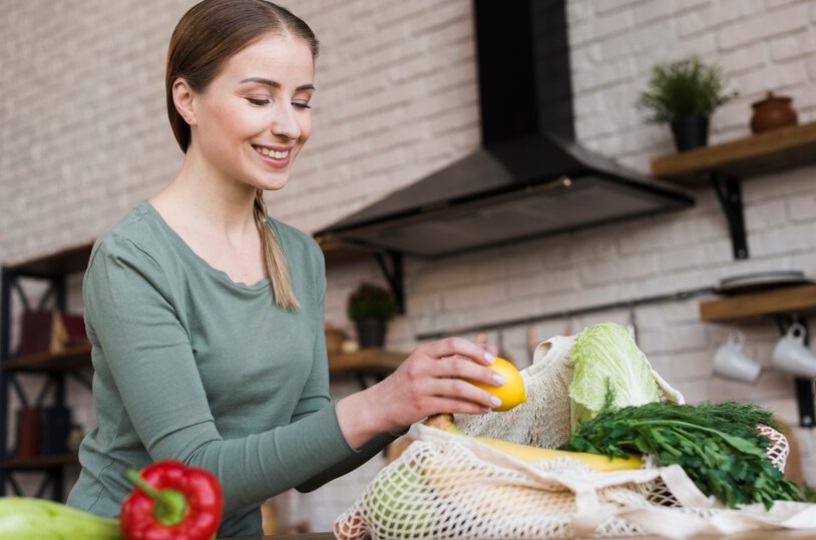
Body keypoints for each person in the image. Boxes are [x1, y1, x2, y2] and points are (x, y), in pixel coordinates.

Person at [66, 0, 504, 536]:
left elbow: (310, 456)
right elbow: (192, 473)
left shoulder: (299, 257)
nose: (290, 126)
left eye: (302, 101)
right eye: (259, 98)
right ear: (187, 100)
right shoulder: (132, 259)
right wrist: (380, 402)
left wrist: (414, 399)